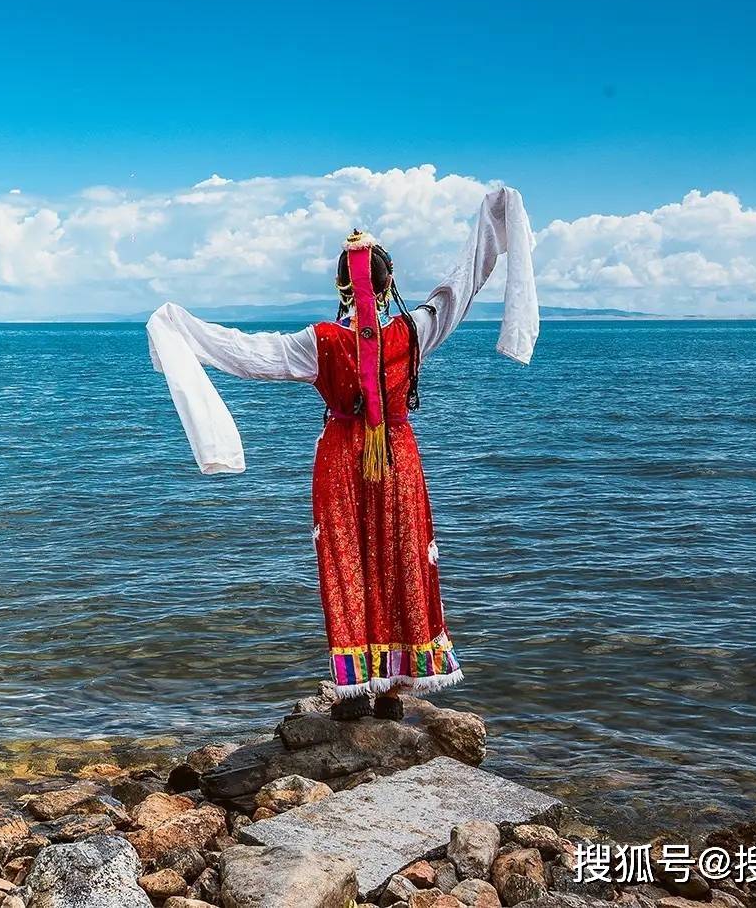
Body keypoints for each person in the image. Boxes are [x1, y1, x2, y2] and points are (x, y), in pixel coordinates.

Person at [146, 186, 538, 719]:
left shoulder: (319, 340)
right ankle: (396, 691)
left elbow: (247, 354)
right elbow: (459, 288)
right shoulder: (414, 330)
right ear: (389, 282)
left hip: (340, 458)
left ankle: (353, 685)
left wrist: (182, 328)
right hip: (397, 455)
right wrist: (494, 221)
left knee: (346, 562)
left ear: (341, 283)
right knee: (401, 558)